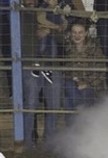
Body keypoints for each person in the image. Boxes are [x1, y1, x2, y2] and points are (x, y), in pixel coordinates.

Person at [21, 0, 63, 148]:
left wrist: (50, 29)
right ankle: (27, 144)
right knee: (30, 105)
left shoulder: (55, 12)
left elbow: (63, 34)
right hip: (30, 65)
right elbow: (26, 37)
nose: (31, 1)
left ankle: (49, 143)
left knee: (53, 106)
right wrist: (50, 29)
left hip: (53, 66)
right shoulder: (20, 15)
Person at [62, 19, 105, 123]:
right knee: (69, 93)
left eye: (80, 32)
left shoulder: (95, 49)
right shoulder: (66, 49)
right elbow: (65, 72)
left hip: (91, 87)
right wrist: (76, 80)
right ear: (71, 34)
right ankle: (77, 130)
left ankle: (78, 129)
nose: (77, 35)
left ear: (86, 33)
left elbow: (101, 72)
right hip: (72, 85)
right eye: (74, 32)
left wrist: (87, 83)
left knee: (74, 100)